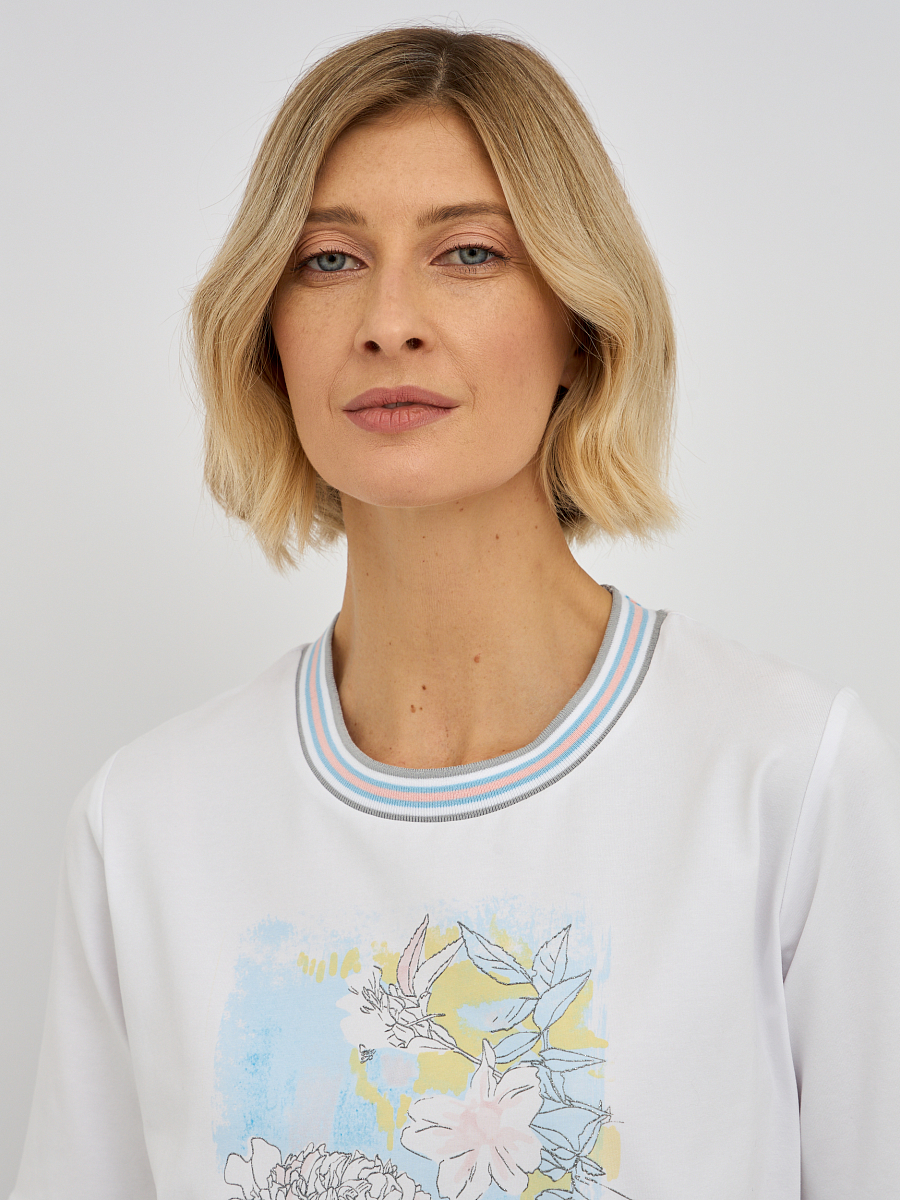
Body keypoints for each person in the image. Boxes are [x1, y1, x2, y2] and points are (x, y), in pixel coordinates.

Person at [12, 25, 899, 1200]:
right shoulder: (144, 827)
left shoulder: (787, 781)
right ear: (268, 337)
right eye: (329, 260)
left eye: (469, 253)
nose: (390, 320)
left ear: (581, 324)